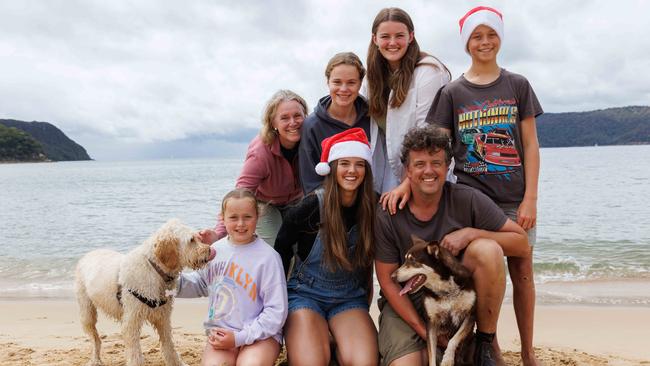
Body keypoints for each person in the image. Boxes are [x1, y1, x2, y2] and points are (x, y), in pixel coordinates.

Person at [426, 6, 543, 365]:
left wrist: (530, 199)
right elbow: (441, 150)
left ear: (500, 39)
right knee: (478, 273)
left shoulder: (517, 85)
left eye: (491, 35)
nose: (485, 42)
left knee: (522, 271)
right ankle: (482, 345)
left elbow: (530, 146)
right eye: (477, 36)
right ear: (467, 44)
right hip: (470, 199)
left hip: (512, 199)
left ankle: (526, 352)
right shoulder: (452, 92)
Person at [374, 126, 530, 366]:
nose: (429, 171)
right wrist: (425, 332)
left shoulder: (466, 198)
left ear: (447, 167)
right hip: (407, 301)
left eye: (436, 163)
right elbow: (387, 280)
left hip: (452, 298)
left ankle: (485, 344)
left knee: (487, 249)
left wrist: (471, 233)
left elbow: (521, 243)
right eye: (420, 164)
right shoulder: (389, 211)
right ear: (407, 170)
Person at [276, 128, 378, 365]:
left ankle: (332, 340)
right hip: (306, 294)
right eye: (344, 163)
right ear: (332, 167)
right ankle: (319, 339)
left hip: (349, 297)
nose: (352, 171)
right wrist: (277, 307)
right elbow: (279, 249)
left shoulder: (374, 206)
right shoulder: (311, 206)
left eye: (359, 164)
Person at [177, 188, 288, 366]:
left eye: (247, 217)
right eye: (233, 217)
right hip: (222, 334)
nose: (241, 224)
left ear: (258, 216)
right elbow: (199, 284)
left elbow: (276, 313)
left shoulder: (269, 258)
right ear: (223, 218)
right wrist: (167, 279)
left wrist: (240, 338)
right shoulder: (214, 251)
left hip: (262, 335)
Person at [203, 90, 308, 247]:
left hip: (296, 201)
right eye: (284, 118)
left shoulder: (311, 142)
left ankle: (297, 272)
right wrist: (218, 233)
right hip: (265, 204)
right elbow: (239, 195)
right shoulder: (260, 153)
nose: (293, 122)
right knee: (276, 245)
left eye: (297, 116)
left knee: (303, 245)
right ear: (273, 123)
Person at [363, 7, 451, 195]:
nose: (392, 43)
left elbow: (427, 133)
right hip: (388, 169)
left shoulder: (429, 72)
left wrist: (407, 183)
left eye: (399, 36)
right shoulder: (371, 78)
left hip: (423, 170)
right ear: (375, 39)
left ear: (411, 36)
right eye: (385, 36)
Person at [299, 52, 373, 194]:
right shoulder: (312, 126)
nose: (343, 89)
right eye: (337, 82)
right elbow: (310, 182)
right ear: (328, 82)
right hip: (329, 206)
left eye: (351, 82)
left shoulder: (372, 118)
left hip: (369, 201)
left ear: (360, 84)